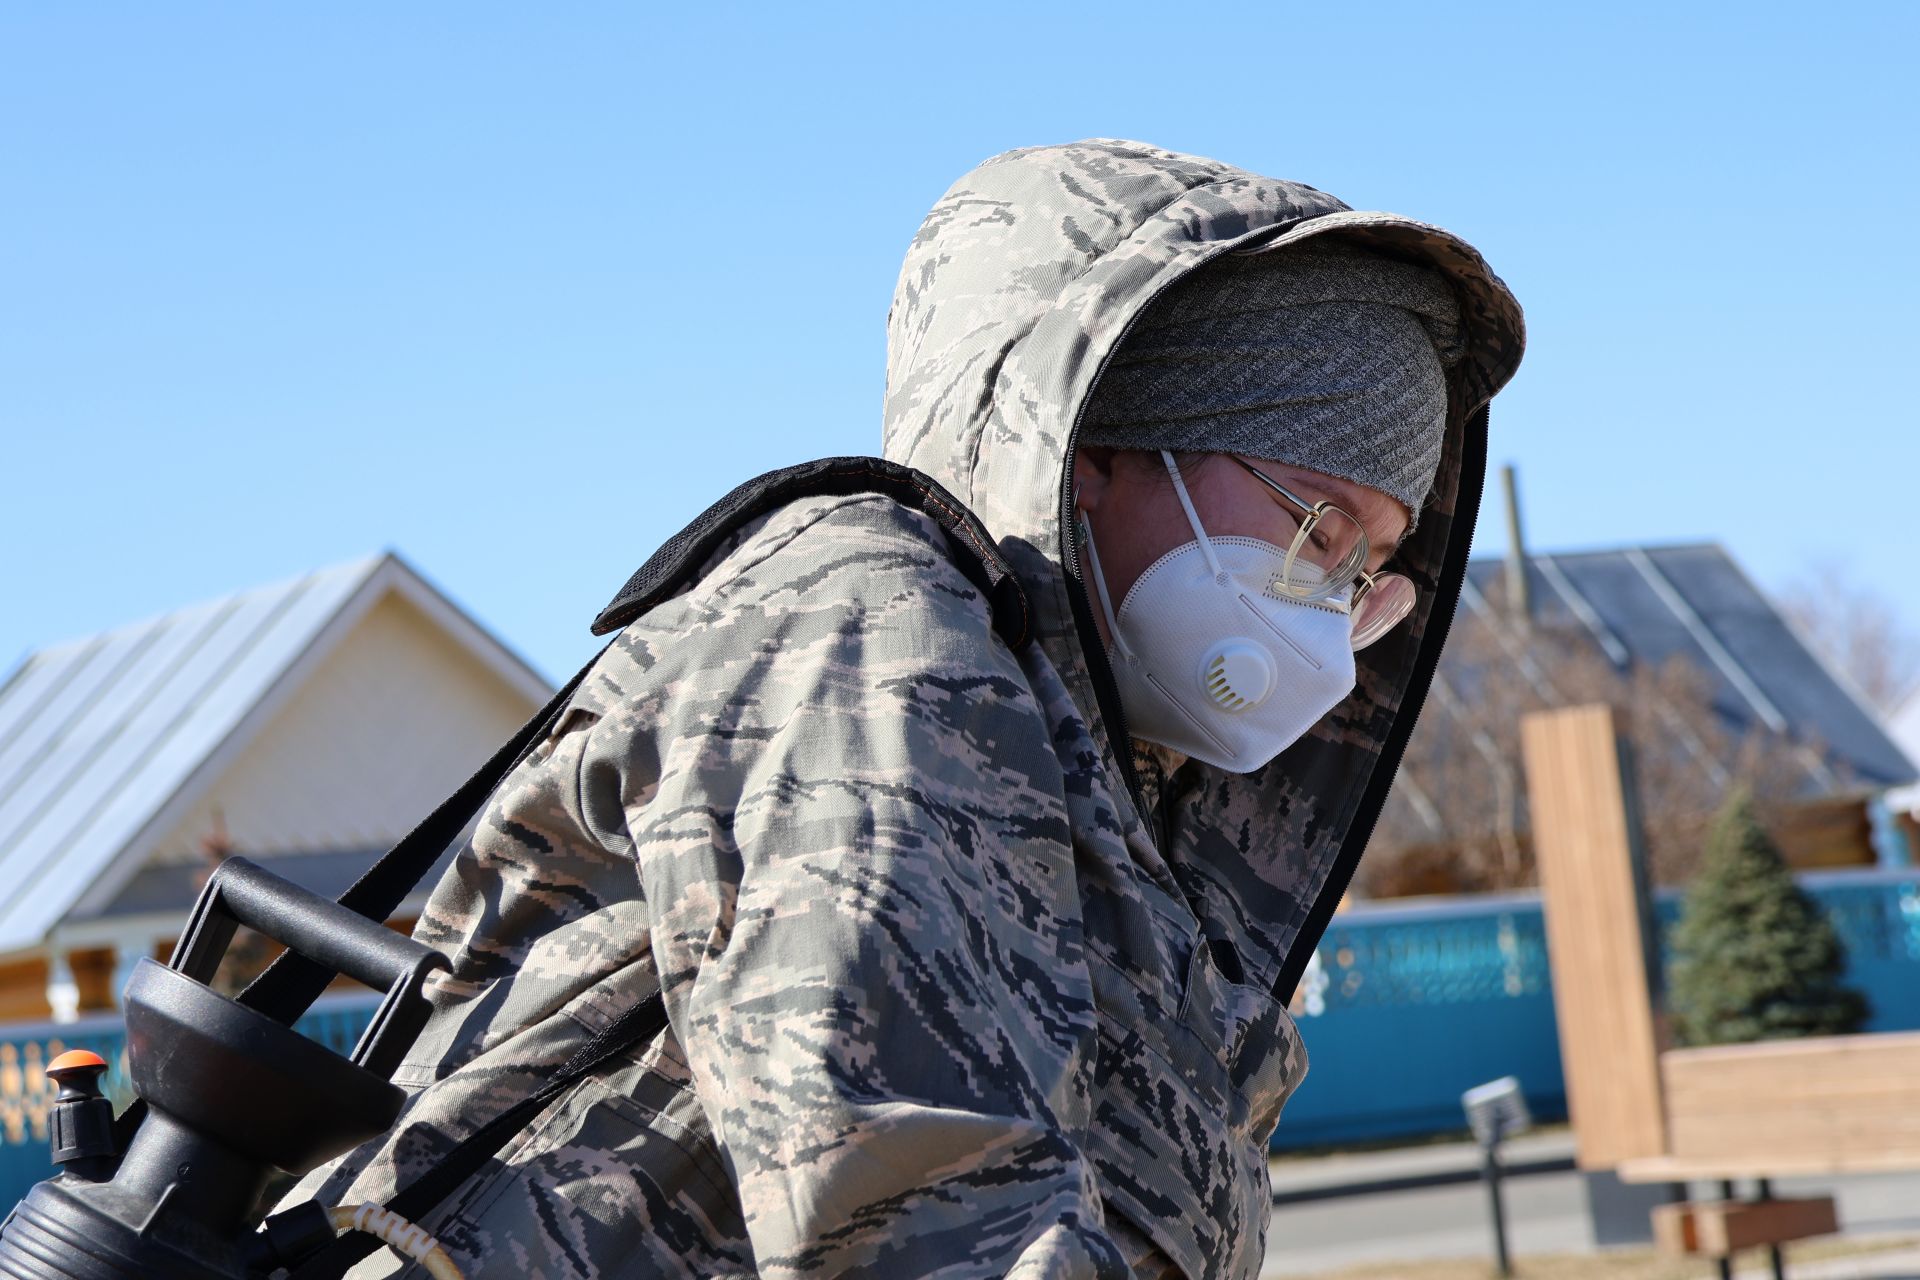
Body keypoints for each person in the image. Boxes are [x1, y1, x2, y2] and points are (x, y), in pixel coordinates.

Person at [290, 139, 1524, 1278]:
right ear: (1095, 443)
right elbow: (924, 1218)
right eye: (1314, 524)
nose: (1330, 605)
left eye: (1368, 568)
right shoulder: (869, 632)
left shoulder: (1100, 800)